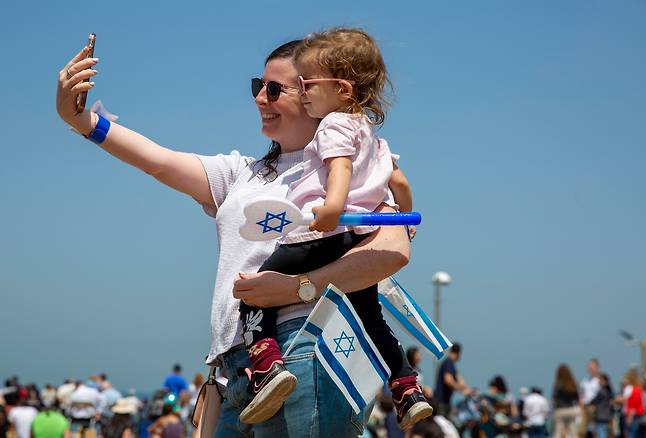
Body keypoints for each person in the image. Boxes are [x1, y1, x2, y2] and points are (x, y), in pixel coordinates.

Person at [56, 34, 411, 438]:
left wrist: (293, 289)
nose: (261, 98)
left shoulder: (351, 179)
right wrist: (81, 121)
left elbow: (393, 252)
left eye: (275, 89)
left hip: (306, 351)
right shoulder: (245, 173)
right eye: (257, 86)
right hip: (233, 373)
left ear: (320, 93)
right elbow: (158, 161)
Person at [237, 27, 427, 430]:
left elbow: (338, 168)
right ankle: (406, 387)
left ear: (340, 88)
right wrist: (404, 222)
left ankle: (267, 366)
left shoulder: (333, 126)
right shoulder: (373, 137)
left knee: (254, 289)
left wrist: (332, 207)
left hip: (320, 234)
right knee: (370, 315)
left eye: (307, 84)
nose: (302, 92)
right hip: (355, 239)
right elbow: (402, 185)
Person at [434, 343, 470, 419]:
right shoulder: (448, 363)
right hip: (441, 401)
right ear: (458, 353)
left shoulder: (451, 364)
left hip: (445, 401)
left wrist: (467, 390)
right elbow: (448, 380)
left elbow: (459, 379)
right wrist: (462, 390)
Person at [551, 363, 581, 438]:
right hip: (570, 410)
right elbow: (577, 398)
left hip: (560, 410)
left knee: (558, 432)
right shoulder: (572, 384)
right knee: (573, 432)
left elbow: (555, 399)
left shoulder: (557, 385)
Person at [578, 358, 601, 437]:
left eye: (592, 366)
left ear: (597, 367)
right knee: (582, 431)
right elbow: (580, 395)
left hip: (596, 407)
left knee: (595, 430)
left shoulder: (600, 381)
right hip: (585, 407)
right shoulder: (585, 381)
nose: (590, 368)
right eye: (589, 366)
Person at [622, 369, 645, 438]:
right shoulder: (637, 389)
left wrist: (630, 416)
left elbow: (634, 404)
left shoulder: (633, 390)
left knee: (631, 433)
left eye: (625, 379)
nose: (623, 380)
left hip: (633, 415)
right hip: (634, 414)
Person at [591, 373, 613, 438]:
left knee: (600, 432)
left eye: (601, 380)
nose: (599, 382)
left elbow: (594, 401)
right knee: (604, 431)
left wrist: (587, 403)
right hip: (607, 415)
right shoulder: (609, 391)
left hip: (601, 415)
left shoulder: (602, 392)